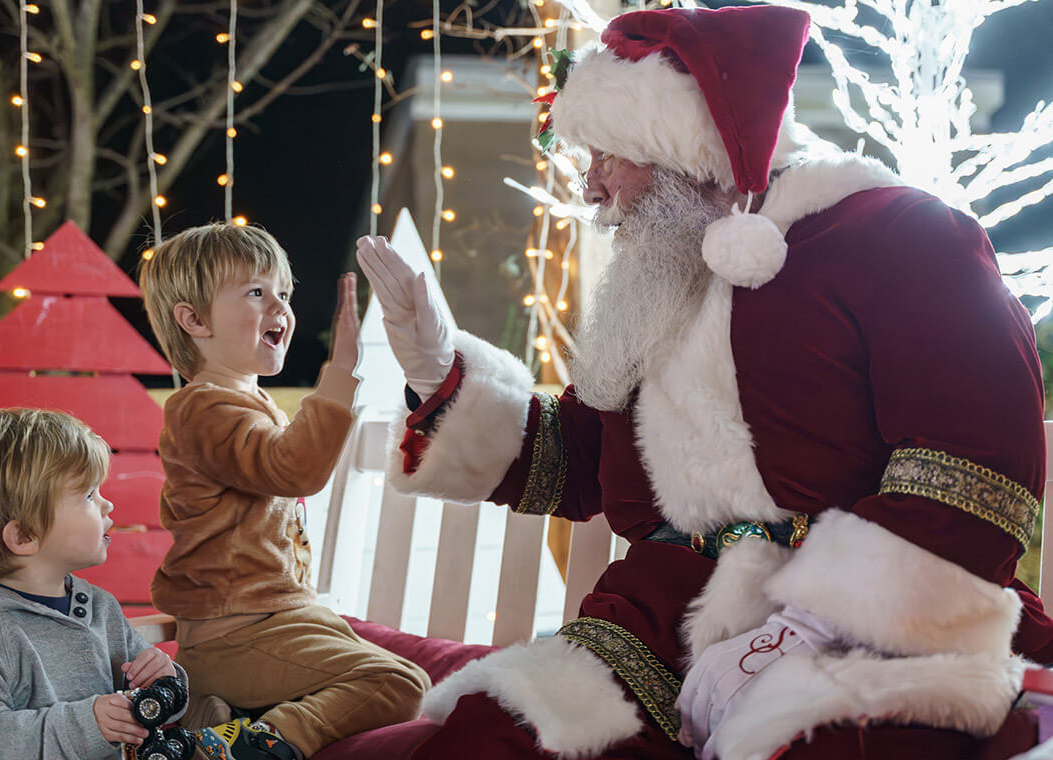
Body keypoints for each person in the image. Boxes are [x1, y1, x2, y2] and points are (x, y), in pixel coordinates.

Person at [354, 5, 1053, 760]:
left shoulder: (897, 234)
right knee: (492, 741)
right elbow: (578, 458)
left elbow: (972, 469)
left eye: (607, 158)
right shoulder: (661, 277)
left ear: (681, 146)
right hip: (661, 619)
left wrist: (801, 629)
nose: (591, 189)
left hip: (877, 622)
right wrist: (436, 371)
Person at [138, 222, 430, 760]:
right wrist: (339, 371)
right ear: (195, 320)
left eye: (284, 293)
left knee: (391, 664)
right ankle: (258, 742)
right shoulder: (202, 408)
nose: (280, 307)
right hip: (235, 637)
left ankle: (213, 717)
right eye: (256, 292)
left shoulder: (247, 403)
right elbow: (293, 468)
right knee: (399, 682)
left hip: (278, 619)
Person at [0, 408, 187, 760]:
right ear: (23, 537)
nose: (107, 504)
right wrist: (87, 726)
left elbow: (152, 706)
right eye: (88, 496)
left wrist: (165, 681)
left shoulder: (97, 606)